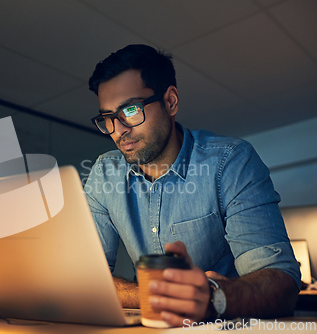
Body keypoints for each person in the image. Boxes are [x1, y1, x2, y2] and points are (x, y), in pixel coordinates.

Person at [84, 44, 300, 326]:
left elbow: (281, 283)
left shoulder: (231, 162)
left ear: (171, 101)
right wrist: (157, 298)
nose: (119, 129)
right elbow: (86, 277)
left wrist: (213, 298)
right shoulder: (104, 173)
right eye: (108, 118)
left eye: (131, 110)